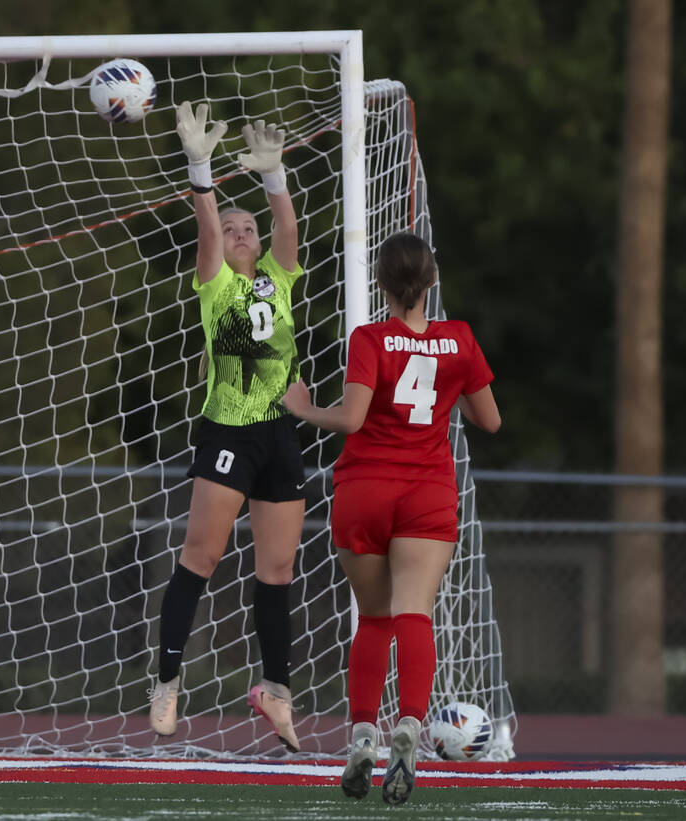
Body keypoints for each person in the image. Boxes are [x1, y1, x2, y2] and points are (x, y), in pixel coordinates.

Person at [281, 232, 500, 803]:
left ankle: (361, 734)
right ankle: (409, 723)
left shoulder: (370, 338)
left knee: (374, 618)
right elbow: (491, 421)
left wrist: (304, 409)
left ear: (381, 282)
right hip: (427, 490)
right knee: (414, 612)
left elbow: (353, 419)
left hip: (365, 488)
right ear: (431, 283)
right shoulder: (460, 338)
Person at [147, 101, 306, 753]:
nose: (241, 232)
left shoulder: (278, 279)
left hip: (278, 436)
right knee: (202, 556)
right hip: (227, 434)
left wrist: (275, 181)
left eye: (249, 226)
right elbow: (208, 230)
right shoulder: (215, 284)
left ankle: (274, 689)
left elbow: (288, 229)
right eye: (234, 226)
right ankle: (166, 681)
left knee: (277, 568)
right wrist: (200, 167)